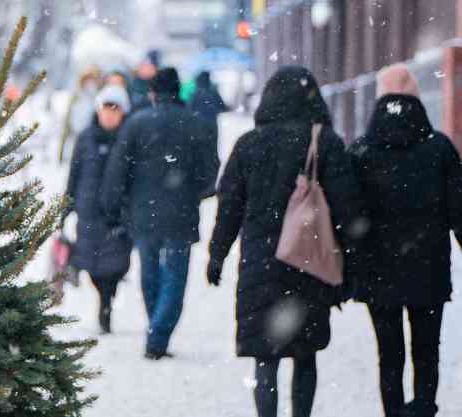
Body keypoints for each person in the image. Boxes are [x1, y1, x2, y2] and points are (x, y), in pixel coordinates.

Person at [206, 66, 361, 417]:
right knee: (305, 355)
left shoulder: (249, 145)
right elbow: (347, 209)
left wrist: (217, 255)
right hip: (309, 262)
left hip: (261, 265)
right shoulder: (324, 143)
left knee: (266, 358)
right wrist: (352, 266)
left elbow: (229, 207)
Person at [348, 65, 462, 417]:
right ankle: (424, 407)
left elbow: (350, 213)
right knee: (427, 348)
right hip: (427, 266)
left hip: (378, 269)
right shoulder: (439, 148)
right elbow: (459, 210)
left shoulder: (362, 151)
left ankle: (394, 412)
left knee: (389, 352)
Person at [101, 67, 219, 359]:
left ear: (152, 93)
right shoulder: (195, 123)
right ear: (178, 91)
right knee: (175, 278)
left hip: (143, 214)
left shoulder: (135, 124)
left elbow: (118, 170)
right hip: (181, 214)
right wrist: (195, 193)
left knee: (150, 273)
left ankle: (155, 327)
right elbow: (210, 172)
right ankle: (159, 333)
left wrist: (114, 206)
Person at [63, 83, 134, 334]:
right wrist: (65, 207)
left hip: (117, 215)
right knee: (93, 266)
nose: (110, 114)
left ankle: (107, 302)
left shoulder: (129, 138)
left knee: (115, 267)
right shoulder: (85, 138)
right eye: (106, 108)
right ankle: (104, 301)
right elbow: (74, 173)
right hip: (89, 211)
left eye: (115, 109)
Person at [190, 70, 229, 180]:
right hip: (212, 125)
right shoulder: (213, 92)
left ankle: (204, 174)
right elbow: (223, 107)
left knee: (202, 150)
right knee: (213, 150)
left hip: (199, 126)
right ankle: (214, 175)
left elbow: (189, 110)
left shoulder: (194, 94)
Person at [58, 66, 102, 163]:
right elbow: (67, 121)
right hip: (74, 137)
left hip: (91, 139)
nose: (90, 85)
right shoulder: (76, 97)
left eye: (93, 81)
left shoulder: (99, 99)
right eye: (88, 81)